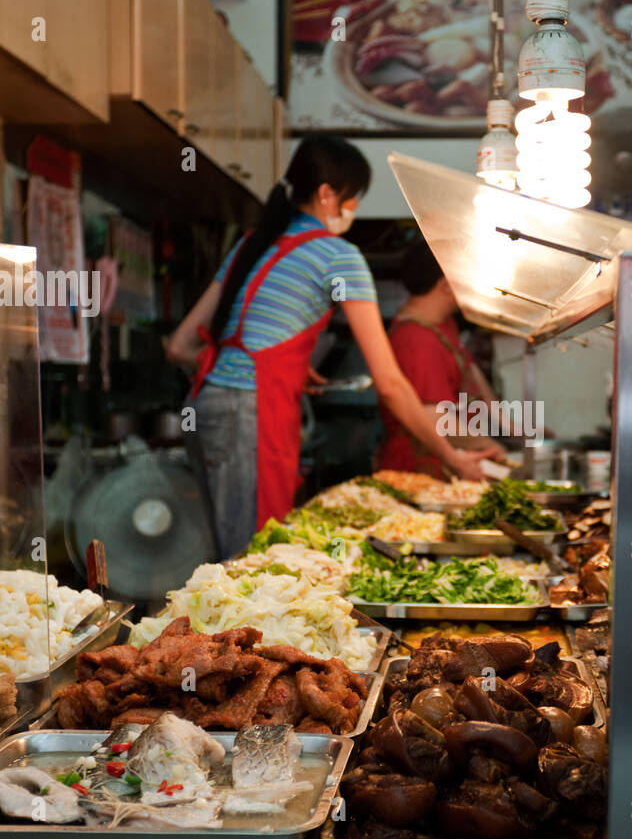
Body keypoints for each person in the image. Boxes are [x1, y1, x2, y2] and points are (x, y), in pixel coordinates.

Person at [167, 137, 489, 556]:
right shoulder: (338, 256)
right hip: (251, 414)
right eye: (354, 199)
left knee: (231, 553)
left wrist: (251, 367)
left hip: (206, 405)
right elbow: (390, 382)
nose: (354, 209)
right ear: (327, 195)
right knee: (251, 557)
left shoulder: (252, 245)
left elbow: (179, 347)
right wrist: (453, 457)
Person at [376, 241, 506, 477]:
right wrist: (487, 446)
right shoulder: (415, 340)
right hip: (418, 469)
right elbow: (434, 415)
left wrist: (508, 424)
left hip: (451, 459)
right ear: (445, 283)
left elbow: (469, 368)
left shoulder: (442, 322)